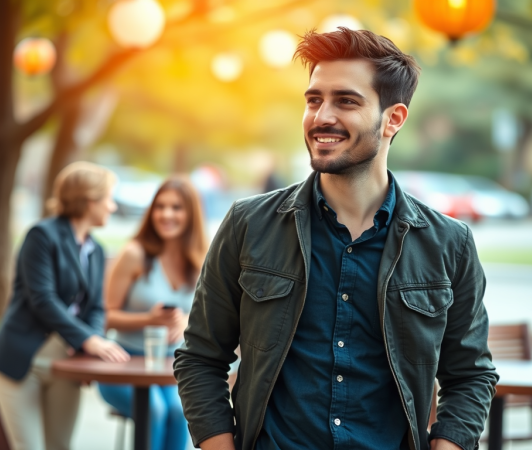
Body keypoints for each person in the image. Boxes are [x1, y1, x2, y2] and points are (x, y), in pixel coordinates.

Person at [174, 28, 499, 450]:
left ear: (393, 119)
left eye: (346, 100)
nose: (321, 116)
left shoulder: (448, 243)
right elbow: (200, 358)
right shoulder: (248, 224)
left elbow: (471, 375)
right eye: (314, 100)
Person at [0, 161, 130, 450]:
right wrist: (89, 340)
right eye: (109, 199)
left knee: (60, 446)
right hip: (22, 359)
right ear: (90, 200)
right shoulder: (42, 235)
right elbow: (42, 298)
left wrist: (87, 344)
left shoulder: (97, 249)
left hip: (66, 361)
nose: (113, 207)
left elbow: (97, 308)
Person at [98, 176, 207, 450]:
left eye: (176, 208)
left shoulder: (199, 260)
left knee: (179, 411)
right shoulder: (135, 254)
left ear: (191, 214)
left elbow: (209, 317)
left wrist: (184, 321)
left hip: (169, 367)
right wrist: (149, 319)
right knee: (154, 410)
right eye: (160, 207)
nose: (166, 214)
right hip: (124, 362)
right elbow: (105, 316)